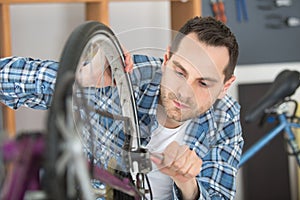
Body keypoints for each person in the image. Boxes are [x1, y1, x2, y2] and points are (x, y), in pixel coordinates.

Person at [0, 16, 243, 200]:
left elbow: (218, 194)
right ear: (166, 59)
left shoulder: (225, 118)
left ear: (225, 86)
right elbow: (5, 78)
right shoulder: (125, 78)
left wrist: (187, 183)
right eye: (179, 72)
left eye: (203, 83)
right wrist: (80, 78)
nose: (184, 91)